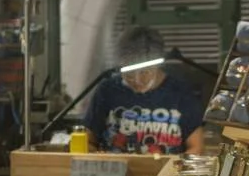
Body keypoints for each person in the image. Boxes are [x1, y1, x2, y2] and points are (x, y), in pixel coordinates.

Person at [83, 26, 205, 155]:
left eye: (144, 72)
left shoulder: (180, 93)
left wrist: (173, 165)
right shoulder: (107, 90)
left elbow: (196, 148)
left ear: (157, 64)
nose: (138, 80)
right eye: (129, 74)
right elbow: (87, 142)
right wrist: (96, 155)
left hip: (167, 167)